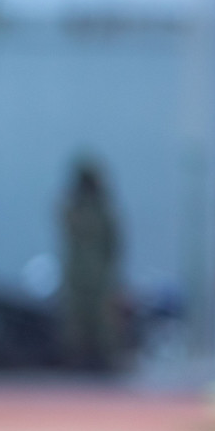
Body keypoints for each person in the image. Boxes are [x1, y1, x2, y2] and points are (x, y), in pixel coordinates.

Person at [59, 159, 121, 372]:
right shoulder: (74, 208)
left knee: (103, 325)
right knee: (76, 326)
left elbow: (114, 245)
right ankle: (77, 364)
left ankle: (104, 364)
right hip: (79, 277)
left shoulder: (103, 211)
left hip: (98, 277)